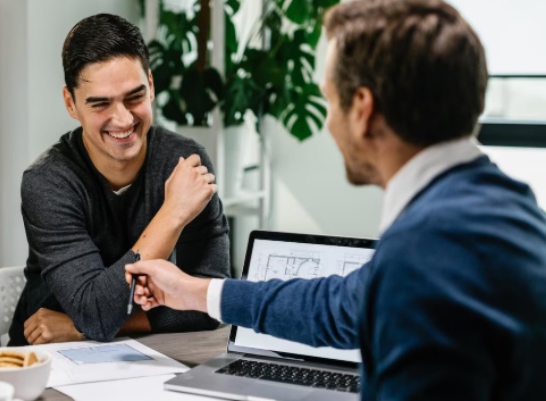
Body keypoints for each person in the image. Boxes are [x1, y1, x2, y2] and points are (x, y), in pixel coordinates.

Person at [126, 0, 546, 399]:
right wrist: (195, 292)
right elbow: (338, 307)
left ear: (362, 108)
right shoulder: (503, 207)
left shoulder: (427, 253)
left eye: (329, 99)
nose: (327, 120)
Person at [9, 13, 231, 346]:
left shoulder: (185, 163)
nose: (123, 119)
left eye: (134, 97)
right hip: (51, 359)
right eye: (100, 104)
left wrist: (82, 324)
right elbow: (97, 312)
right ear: (71, 103)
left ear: (151, 87)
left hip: (149, 356)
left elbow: (211, 302)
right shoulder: (48, 182)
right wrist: (173, 214)